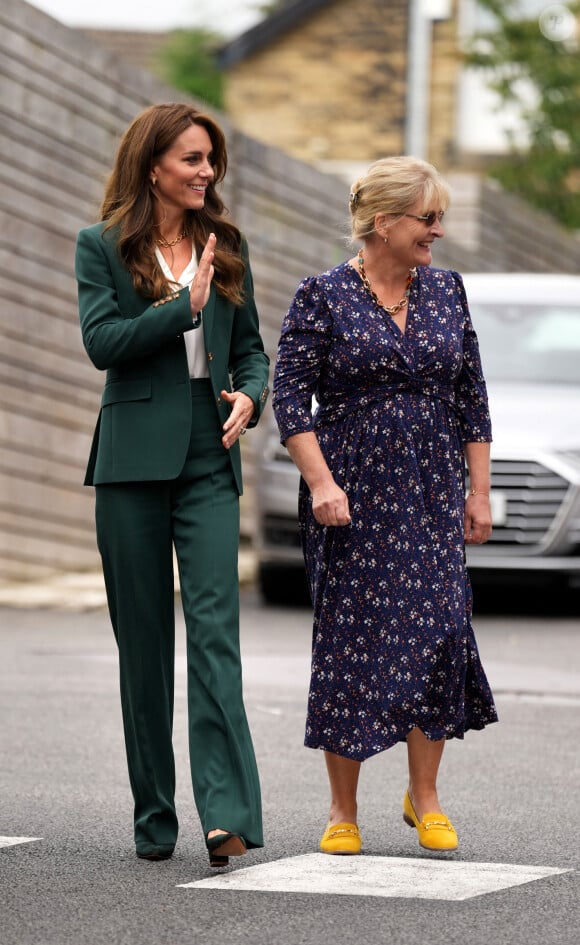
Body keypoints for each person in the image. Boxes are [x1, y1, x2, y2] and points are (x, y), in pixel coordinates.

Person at [272, 156, 498, 855]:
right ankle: (343, 809)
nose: (437, 232)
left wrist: (479, 490)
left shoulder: (447, 291)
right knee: (352, 642)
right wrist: (319, 482)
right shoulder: (322, 295)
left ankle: (424, 795)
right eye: (428, 219)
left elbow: (472, 397)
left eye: (439, 219)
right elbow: (289, 398)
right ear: (384, 222)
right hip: (353, 495)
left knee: (438, 635)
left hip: (431, 492)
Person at [75, 103, 269, 868]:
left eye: (211, 159)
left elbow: (250, 349)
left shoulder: (229, 245)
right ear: (153, 164)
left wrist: (252, 395)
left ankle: (225, 814)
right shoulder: (102, 246)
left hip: (208, 450)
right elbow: (101, 343)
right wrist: (177, 310)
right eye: (192, 158)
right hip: (129, 460)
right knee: (144, 645)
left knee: (216, 633)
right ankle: (154, 813)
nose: (206, 172)